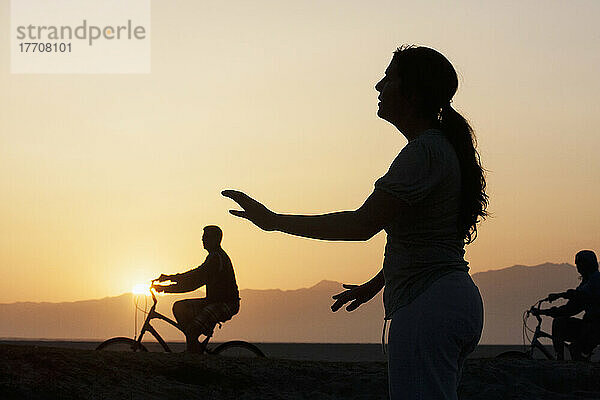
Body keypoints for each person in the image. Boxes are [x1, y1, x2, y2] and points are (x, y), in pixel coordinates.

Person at [222, 45, 488, 399]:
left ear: (411, 94)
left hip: (429, 305)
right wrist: (379, 281)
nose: (378, 86)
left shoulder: (423, 152)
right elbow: (428, 235)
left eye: (389, 78)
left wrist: (273, 221)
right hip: (447, 298)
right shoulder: (439, 149)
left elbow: (361, 225)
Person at [152, 225, 240, 353]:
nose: (202, 240)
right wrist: (169, 278)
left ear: (216, 239)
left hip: (225, 304)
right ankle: (194, 347)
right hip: (213, 301)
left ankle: (194, 353)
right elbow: (194, 275)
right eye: (203, 237)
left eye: (206, 237)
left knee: (192, 330)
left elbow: (194, 282)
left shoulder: (216, 259)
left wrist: (166, 288)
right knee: (179, 307)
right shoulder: (213, 257)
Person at [533, 250, 600, 360]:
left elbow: (581, 295)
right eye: (577, 264)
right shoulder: (586, 282)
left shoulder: (596, 279)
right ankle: (560, 358)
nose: (578, 267)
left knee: (575, 347)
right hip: (588, 325)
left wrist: (560, 295)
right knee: (559, 322)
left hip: (596, 326)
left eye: (580, 263)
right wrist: (544, 312)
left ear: (588, 264)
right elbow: (570, 309)